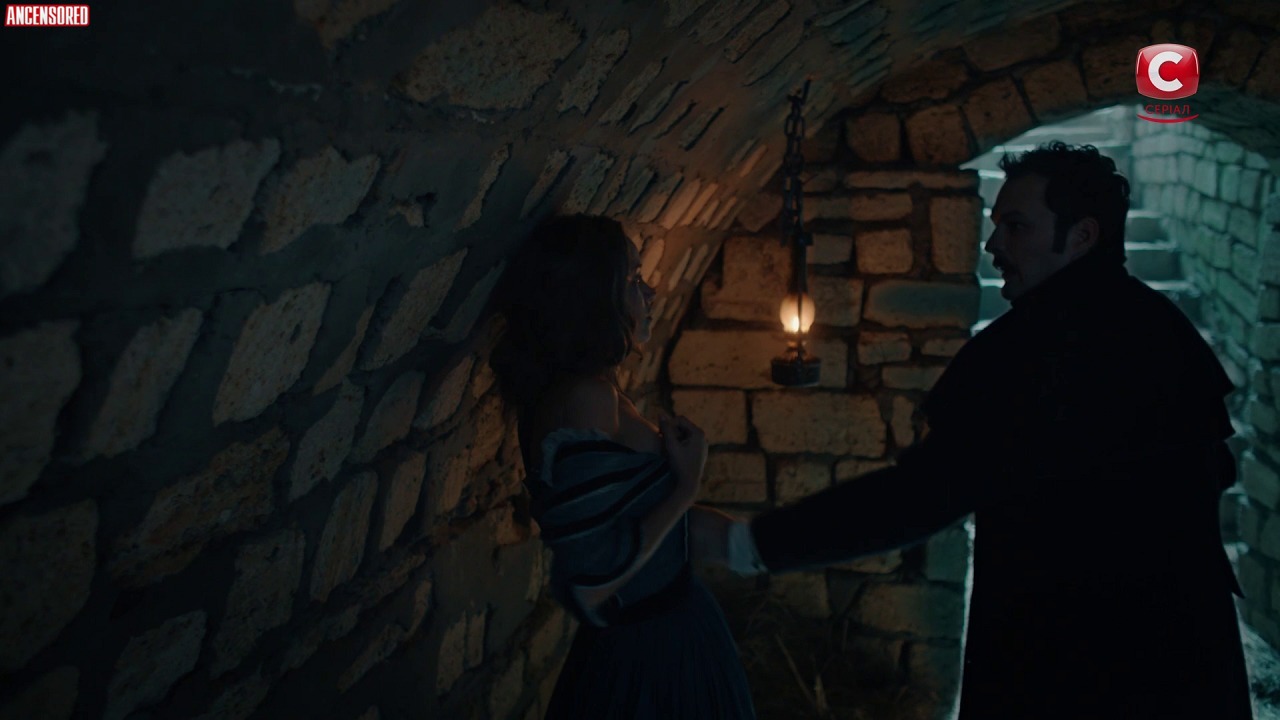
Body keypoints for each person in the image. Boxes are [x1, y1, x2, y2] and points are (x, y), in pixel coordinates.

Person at [726, 142, 1252, 719]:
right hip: (1183, 667)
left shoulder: (1034, 350)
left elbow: (921, 496)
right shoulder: (1160, 327)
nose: (993, 244)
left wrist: (744, 544)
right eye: (996, 224)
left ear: (1081, 236)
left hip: (1074, 670)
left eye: (1016, 226)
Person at [490, 214, 756, 719]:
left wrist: (749, 543)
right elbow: (593, 576)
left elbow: (647, 529)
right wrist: (686, 483)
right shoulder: (585, 400)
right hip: (649, 654)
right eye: (633, 279)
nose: (651, 292)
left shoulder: (599, 392)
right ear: (594, 300)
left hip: (674, 631)